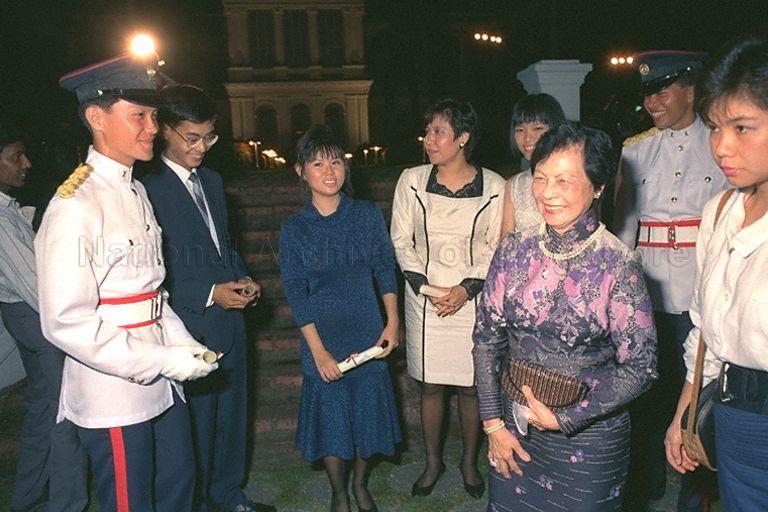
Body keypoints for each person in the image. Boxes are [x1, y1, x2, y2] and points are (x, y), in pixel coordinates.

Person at [35, 53, 218, 512]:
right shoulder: (76, 204)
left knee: (179, 483)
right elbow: (65, 321)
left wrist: (182, 344)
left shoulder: (135, 189)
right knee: (130, 501)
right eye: (138, 115)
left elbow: (152, 290)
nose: (153, 127)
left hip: (159, 377)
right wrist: (162, 359)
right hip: (113, 390)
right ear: (96, 118)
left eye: (154, 116)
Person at [473, 121, 657, 511]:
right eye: (541, 178)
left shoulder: (618, 265)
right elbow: (487, 339)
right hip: (513, 431)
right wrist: (493, 424)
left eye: (564, 180)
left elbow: (640, 367)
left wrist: (568, 418)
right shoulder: (513, 250)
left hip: (589, 442)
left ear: (599, 186)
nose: (548, 193)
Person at [142, 84, 274, 512]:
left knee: (232, 420)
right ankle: (197, 503)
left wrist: (242, 277)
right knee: (194, 429)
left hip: (229, 323)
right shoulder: (145, 187)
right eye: (192, 138)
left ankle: (228, 495)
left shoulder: (213, 182)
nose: (202, 148)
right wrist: (209, 293)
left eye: (209, 137)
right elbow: (148, 272)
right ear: (164, 130)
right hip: (186, 328)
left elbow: (223, 247)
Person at [612, 50, 728, 510]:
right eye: (648, 94)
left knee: (697, 397)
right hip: (646, 293)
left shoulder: (721, 144)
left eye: (662, 91)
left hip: (701, 293)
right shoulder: (635, 148)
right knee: (642, 397)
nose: (652, 103)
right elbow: (624, 227)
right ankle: (643, 486)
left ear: (692, 90)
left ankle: (693, 495)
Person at [664, 36, 768, 511]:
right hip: (731, 416)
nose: (722, 146)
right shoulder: (720, 210)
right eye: (714, 127)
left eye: (743, 127)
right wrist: (685, 413)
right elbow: (704, 324)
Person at [280, 124, 401, 512]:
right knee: (332, 419)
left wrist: (393, 321)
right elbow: (296, 292)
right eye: (317, 163)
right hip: (323, 334)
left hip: (367, 327)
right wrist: (318, 352)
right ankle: (339, 492)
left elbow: (385, 267)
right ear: (301, 171)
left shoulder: (365, 215)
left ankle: (362, 484)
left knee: (368, 416)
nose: (329, 171)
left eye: (336, 161)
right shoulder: (294, 229)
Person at [390, 98, 505, 499]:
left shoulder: (494, 187)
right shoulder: (411, 180)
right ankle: (433, 462)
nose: (430, 139)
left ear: (463, 138)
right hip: (424, 301)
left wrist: (465, 289)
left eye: (439, 131)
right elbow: (401, 240)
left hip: (472, 299)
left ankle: (470, 462)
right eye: (428, 131)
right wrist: (424, 287)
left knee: (472, 388)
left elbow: (496, 245)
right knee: (431, 387)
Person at [0, 126, 88, 512]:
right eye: (16, 157)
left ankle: (28, 496)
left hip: (28, 318)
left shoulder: (9, 210)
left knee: (42, 410)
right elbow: (39, 291)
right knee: (65, 411)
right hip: (36, 317)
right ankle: (66, 503)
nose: (27, 163)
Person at [501, 93, 566, 235]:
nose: (527, 138)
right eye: (520, 130)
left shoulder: (574, 179)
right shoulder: (514, 185)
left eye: (537, 128)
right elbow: (505, 245)